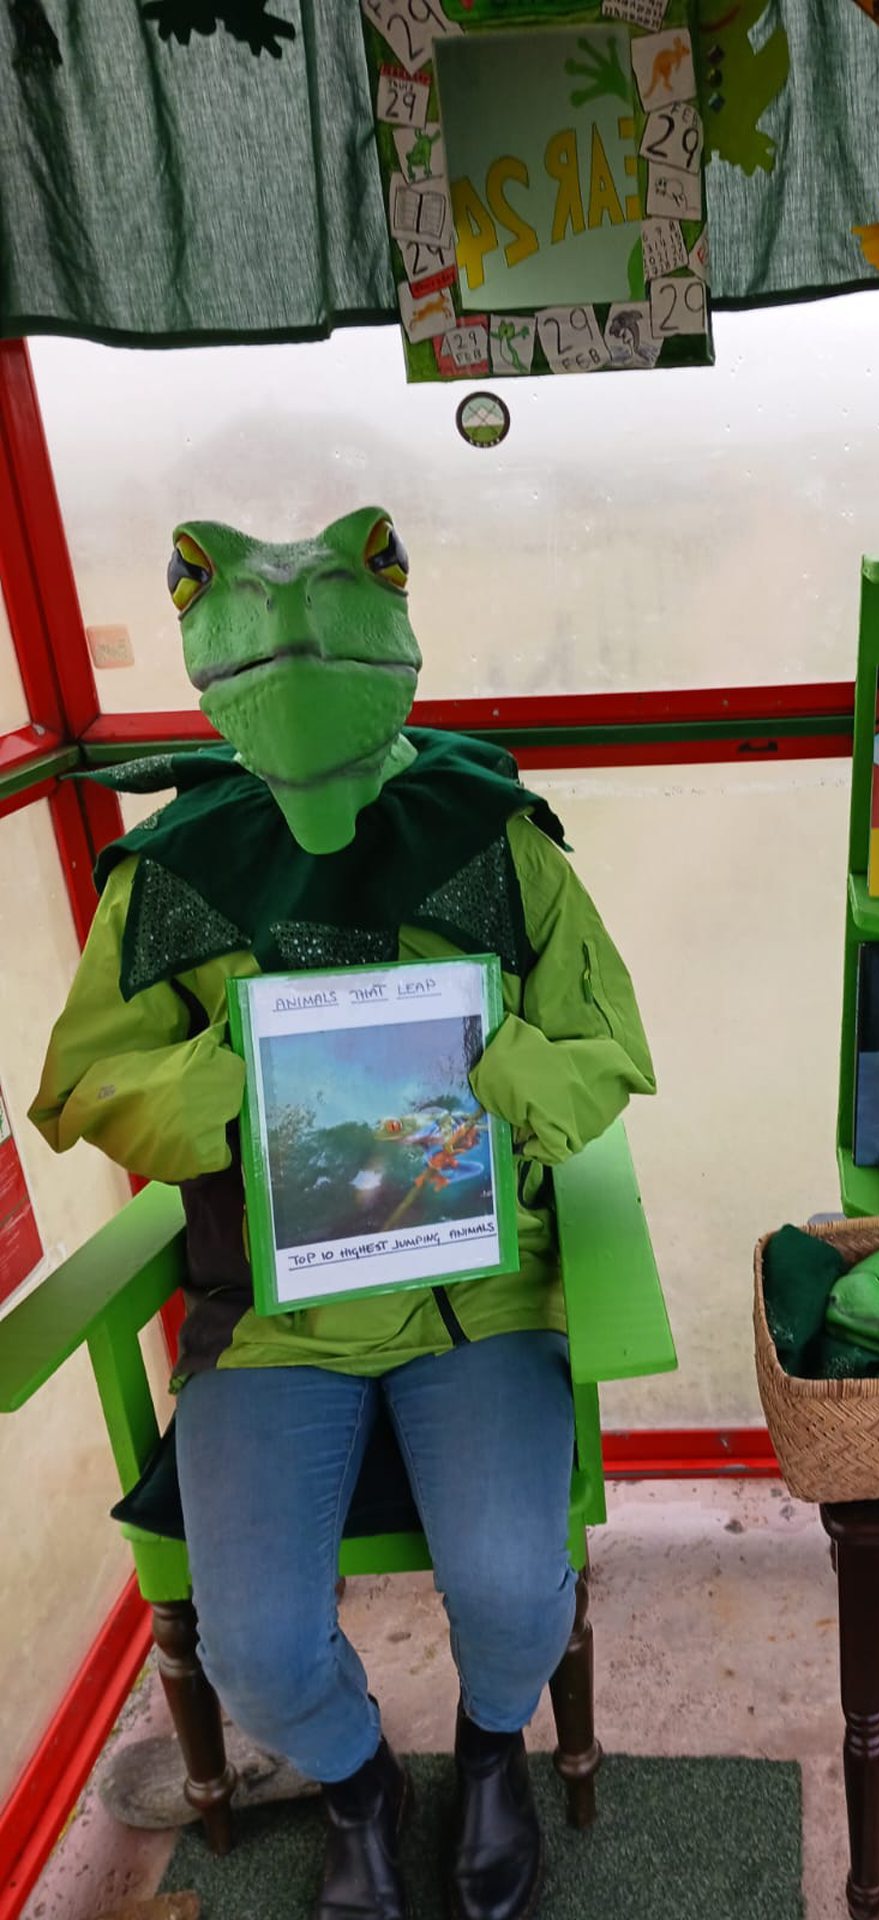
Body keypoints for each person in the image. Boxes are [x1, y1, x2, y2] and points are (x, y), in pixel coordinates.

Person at [30, 507, 656, 1920]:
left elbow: (609, 1048)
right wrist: (232, 1078)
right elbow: (87, 1078)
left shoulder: (495, 844)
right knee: (248, 1647)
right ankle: (362, 1781)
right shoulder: (173, 876)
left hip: (472, 1299)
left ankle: (493, 1752)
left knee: (512, 1587)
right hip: (274, 1316)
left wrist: (503, 1066)